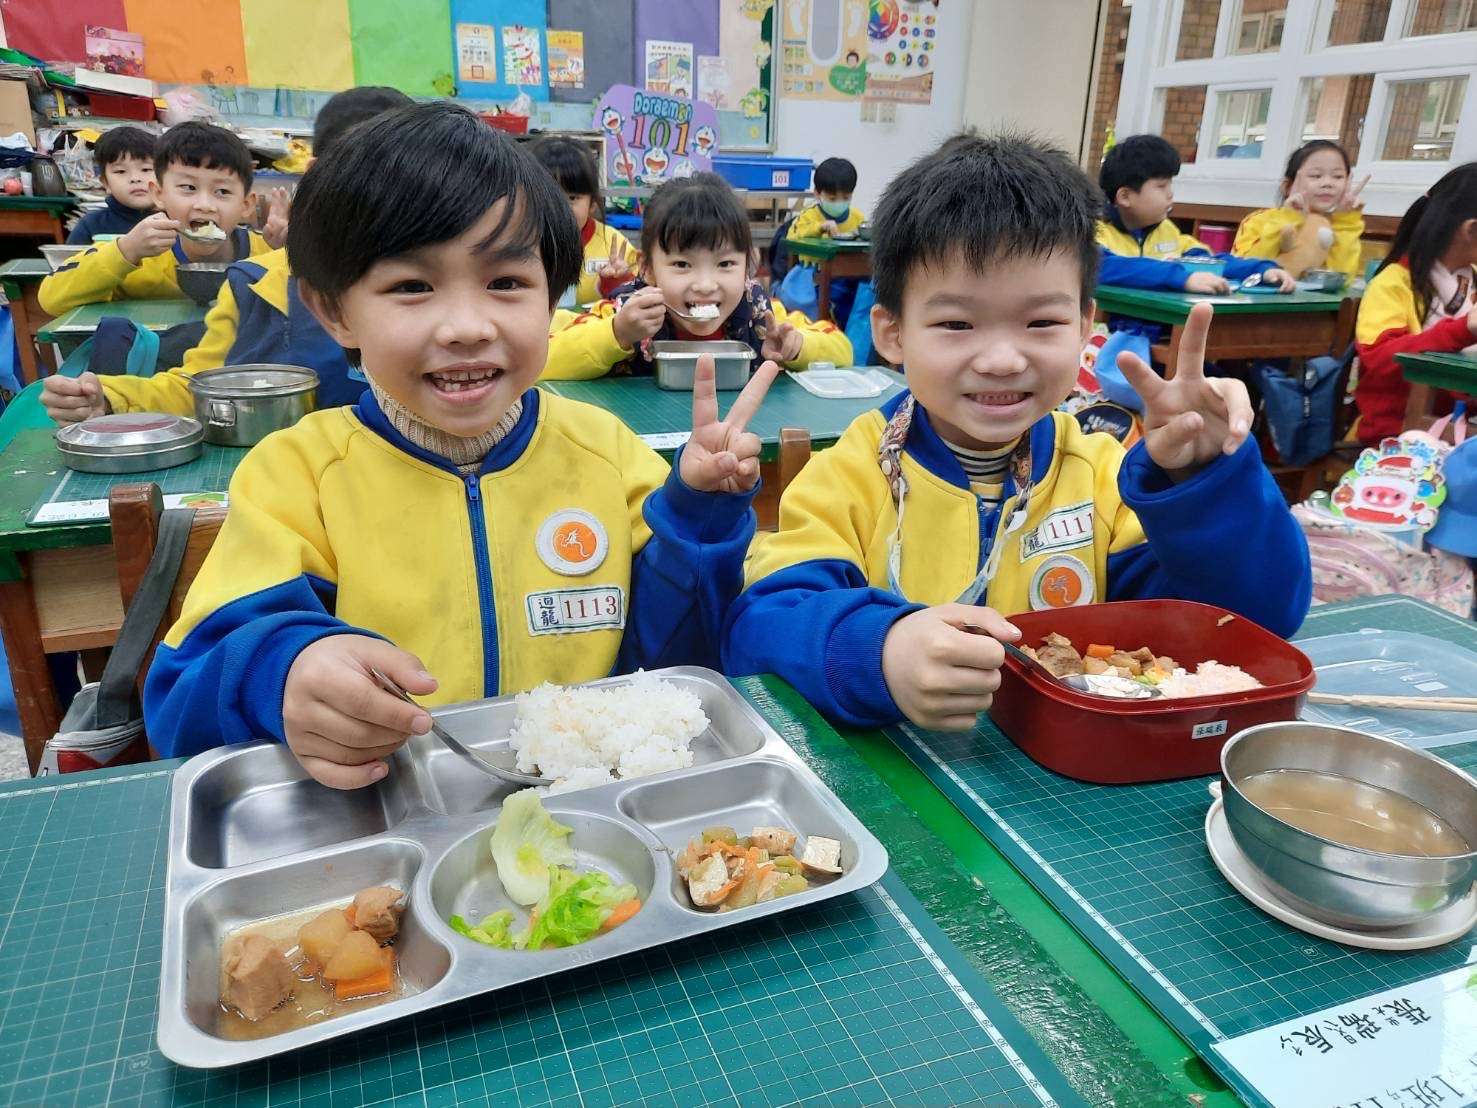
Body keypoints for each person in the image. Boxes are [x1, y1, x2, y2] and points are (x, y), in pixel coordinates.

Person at [143, 103, 778, 789]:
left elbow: (679, 666)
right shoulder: (299, 475)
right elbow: (180, 701)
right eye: (412, 286)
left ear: (553, 299)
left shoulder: (605, 451)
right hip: (390, 811)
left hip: (591, 819)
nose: (467, 327)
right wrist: (284, 671)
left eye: (506, 283)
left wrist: (694, 517)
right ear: (334, 310)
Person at [724, 133, 1311, 731]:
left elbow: (1253, 618)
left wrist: (1206, 481)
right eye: (956, 322)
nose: (1002, 359)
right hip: (904, 788)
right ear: (893, 332)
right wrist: (879, 651)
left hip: (1067, 787)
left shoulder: (1101, 473)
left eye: (1041, 321)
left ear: (1085, 325)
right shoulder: (851, 475)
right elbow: (760, 628)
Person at [41, 87, 412, 423]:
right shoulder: (256, 284)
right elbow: (199, 387)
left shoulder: (460, 286)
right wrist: (110, 398)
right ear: (317, 175)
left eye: (407, 181)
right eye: (369, 175)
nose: (387, 199)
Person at [545, 172, 851, 380]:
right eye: (682, 265)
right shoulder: (626, 312)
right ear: (648, 269)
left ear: (749, 267)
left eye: (725, 264)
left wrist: (797, 347)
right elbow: (545, 357)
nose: (706, 285)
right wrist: (617, 334)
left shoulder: (761, 315)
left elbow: (843, 349)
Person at [39, 122, 268, 316]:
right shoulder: (139, 257)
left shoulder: (268, 254)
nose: (204, 205)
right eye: (188, 187)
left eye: (222, 192)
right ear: (158, 194)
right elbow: (51, 299)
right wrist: (126, 251)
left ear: (246, 205)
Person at [1353, 162, 1477, 445]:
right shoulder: (1394, 283)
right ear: (1471, 230)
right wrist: (1463, 330)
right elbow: (1379, 360)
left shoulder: (1471, 277)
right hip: (1399, 430)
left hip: (1461, 426)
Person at [1096, 134, 1293, 294]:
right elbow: (1106, 266)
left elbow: (1211, 263)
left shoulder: (1169, 233)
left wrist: (1261, 270)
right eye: (1161, 186)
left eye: (1171, 184)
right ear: (1125, 196)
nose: (1170, 193)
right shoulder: (1095, 234)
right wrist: (1181, 277)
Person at [1233, 140, 1368, 279]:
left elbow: (1343, 280)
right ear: (1287, 186)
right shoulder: (1258, 221)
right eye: (1316, 175)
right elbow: (1245, 269)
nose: (1328, 183)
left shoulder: (1340, 225)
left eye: (1338, 176)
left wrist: (1345, 222)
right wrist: (1288, 217)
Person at [528, 135, 634, 306]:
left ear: (592, 203)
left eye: (572, 197)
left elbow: (635, 303)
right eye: (548, 197)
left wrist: (617, 281)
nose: (559, 208)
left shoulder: (612, 245)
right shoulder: (518, 242)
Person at [786, 156, 867, 325]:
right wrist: (819, 227)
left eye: (846, 197)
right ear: (817, 194)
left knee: (865, 293)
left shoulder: (857, 217)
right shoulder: (809, 216)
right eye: (832, 199)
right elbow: (791, 238)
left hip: (850, 276)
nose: (839, 203)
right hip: (814, 275)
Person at [66, 126, 157, 244]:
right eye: (121, 171)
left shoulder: (177, 222)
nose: (135, 178)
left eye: (145, 169)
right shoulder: (91, 226)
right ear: (106, 183)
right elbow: (72, 262)